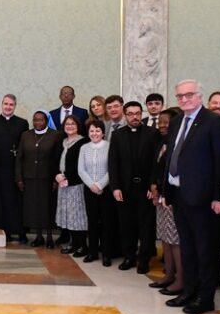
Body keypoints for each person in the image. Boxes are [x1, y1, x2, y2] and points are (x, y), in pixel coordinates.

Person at [160, 80, 220, 314]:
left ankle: (205, 297)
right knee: (187, 247)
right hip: (179, 194)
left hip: (203, 198)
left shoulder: (213, 122)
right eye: (179, 95)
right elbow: (171, 157)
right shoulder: (178, 120)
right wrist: (165, 190)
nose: (184, 99)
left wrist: (219, 196)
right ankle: (188, 291)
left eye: (189, 95)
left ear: (200, 96)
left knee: (205, 249)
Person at [108, 101, 161, 273]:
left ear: (141, 114)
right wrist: (115, 187)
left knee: (145, 226)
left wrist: (152, 185)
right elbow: (113, 162)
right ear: (125, 115)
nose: (135, 117)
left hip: (145, 189)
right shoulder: (118, 135)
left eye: (138, 113)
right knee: (126, 225)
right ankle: (129, 256)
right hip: (124, 189)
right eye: (130, 114)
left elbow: (156, 162)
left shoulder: (152, 133)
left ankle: (144, 259)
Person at [0, 94, 29, 242]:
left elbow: (24, 143)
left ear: (15, 106)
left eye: (11, 104)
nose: (8, 107)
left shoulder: (22, 123)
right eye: (6, 104)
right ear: (1, 104)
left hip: (16, 168)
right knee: (0, 199)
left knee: (16, 200)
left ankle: (19, 230)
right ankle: (4, 230)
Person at [150, 109, 183, 294]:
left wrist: (164, 192)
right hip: (161, 198)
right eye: (159, 122)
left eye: (166, 122)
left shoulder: (179, 144)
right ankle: (169, 275)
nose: (161, 125)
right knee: (165, 239)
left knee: (176, 241)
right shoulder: (162, 143)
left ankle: (180, 279)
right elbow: (156, 168)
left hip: (173, 199)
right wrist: (153, 186)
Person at [15, 110, 60, 247]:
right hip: (30, 178)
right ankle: (39, 237)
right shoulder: (26, 135)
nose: (37, 122)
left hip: (48, 178)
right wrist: (19, 178)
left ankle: (50, 237)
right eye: (35, 120)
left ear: (46, 121)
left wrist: (56, 179)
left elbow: (58, 158)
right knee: (35, 208)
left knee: (48, 207)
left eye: (40, 120)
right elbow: (19, 158)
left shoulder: (55, 135)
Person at [78, 119, 113, 265]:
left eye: (97, 130)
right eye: (91, 131)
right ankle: (92, 252)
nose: (94, 133)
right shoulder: (84, 148)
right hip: (89, 189)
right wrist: (92, 185)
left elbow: (112, 168)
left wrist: (100, 185)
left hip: (106, 190)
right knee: (92, 222)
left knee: (106, 223)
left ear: (103, 132)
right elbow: (81, 169)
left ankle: (106, 254)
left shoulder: (110, 146)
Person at [54, 115, 88, 254]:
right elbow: (55, 160)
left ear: (78, 126)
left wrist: (67, 177)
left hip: (76, 185)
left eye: (73, 123)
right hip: (62, 185)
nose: (70, 126)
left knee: (78, 216)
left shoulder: (83, 142)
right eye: (67, 124)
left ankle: (82, 245)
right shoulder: (62, 141)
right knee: (68, 215)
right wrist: (57, 175)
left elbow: (81, 165)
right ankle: (73, 244)